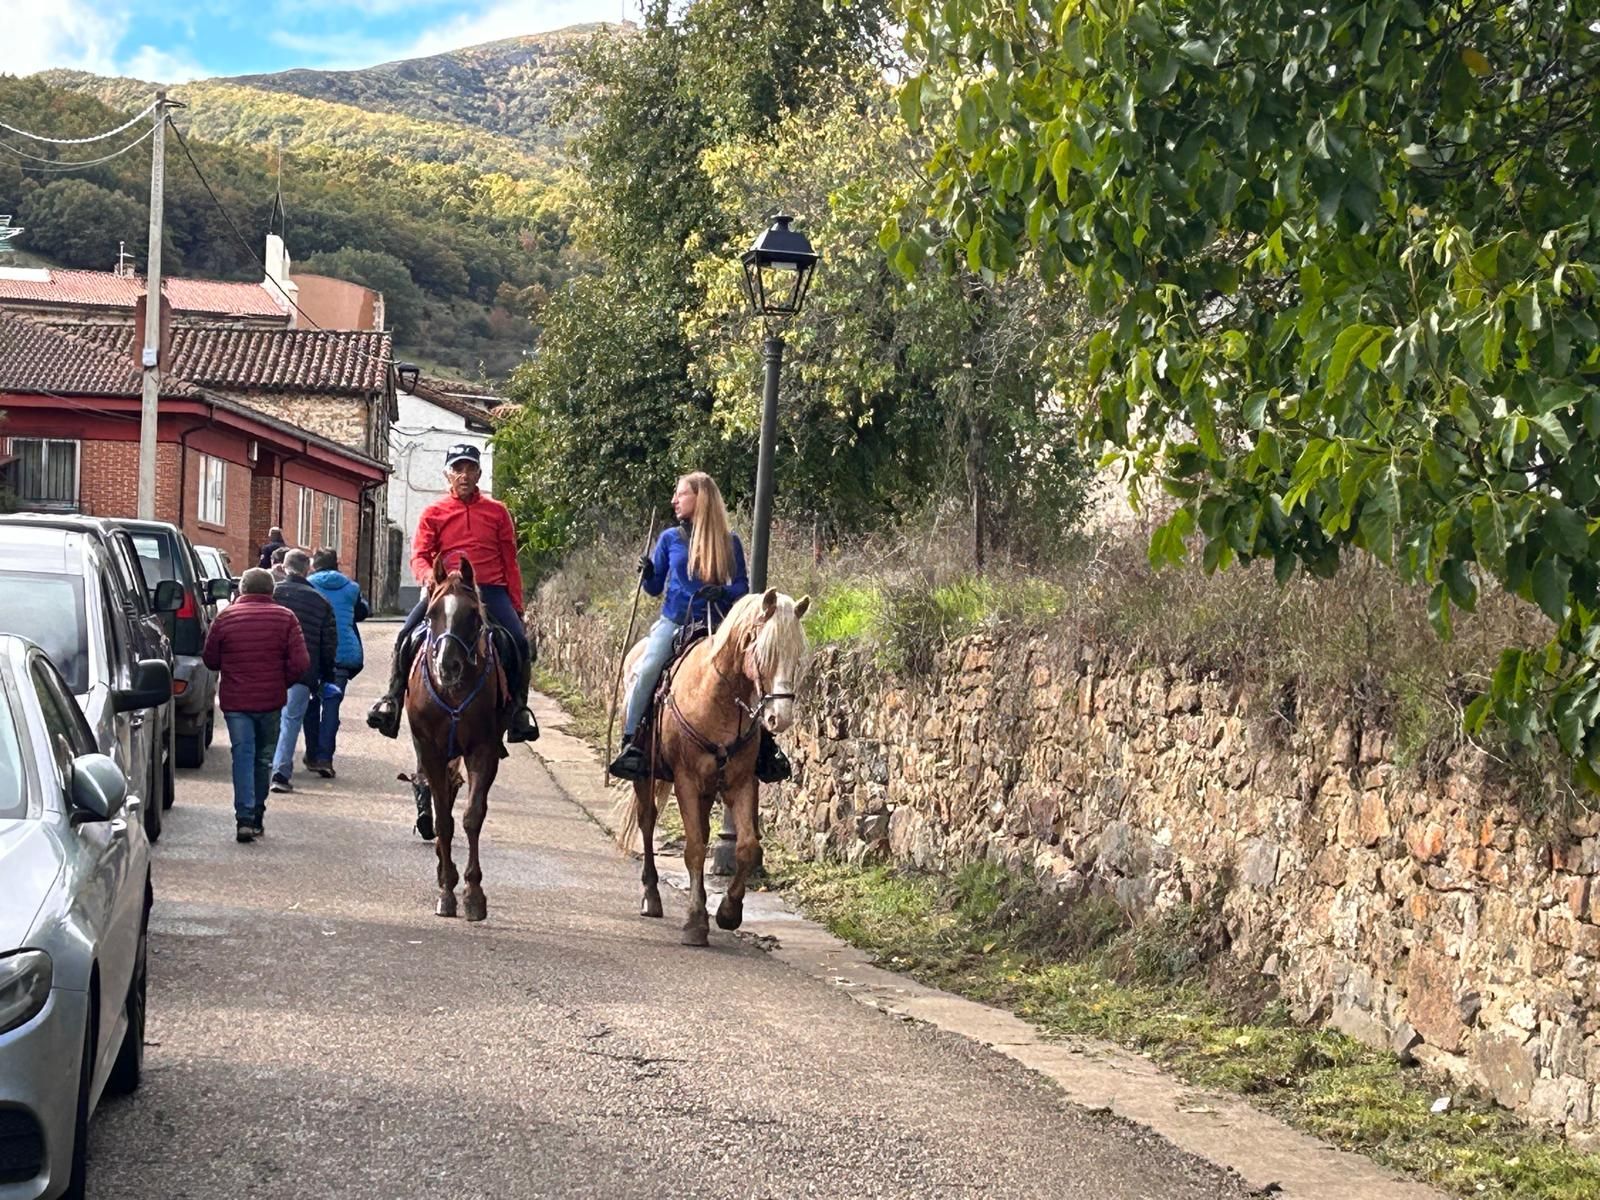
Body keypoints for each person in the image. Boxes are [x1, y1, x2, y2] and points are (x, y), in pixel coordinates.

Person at [366, 442, 538, 743]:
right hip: (445, 589)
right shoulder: (434, 512)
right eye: (458, 468)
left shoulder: (497, 512)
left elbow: (509, 560)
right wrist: (429, 576)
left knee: (519, 642)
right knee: (406, 634)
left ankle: (518, 710)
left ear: (479, 474)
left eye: (470, 468)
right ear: (448, 475)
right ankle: (392, 699)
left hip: (489, 589)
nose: (464, 474)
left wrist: (516, 604)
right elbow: (419, 555)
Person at [608, 471, 759, 782]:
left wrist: (723, 592)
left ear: (700, 498)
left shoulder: (730, 542)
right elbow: (653, 588)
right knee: (649, 669)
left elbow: (742, 588)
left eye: (681, 494)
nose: (674, 500)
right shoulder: (669, 538)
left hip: (718, 626)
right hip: (675, 621)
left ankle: (765, 748)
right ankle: (631, 741)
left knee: (754, 670)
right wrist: (647, 572)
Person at [202, 568, 309, 843]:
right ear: (271, 591)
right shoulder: (286, 618)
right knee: (263, 758)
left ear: (242, 590)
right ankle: (257, 813)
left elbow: (211, 659)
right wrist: (280, 681)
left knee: (243, 756)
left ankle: (244, 818)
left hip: (236, 701)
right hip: (271, 701)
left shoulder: (226, 618)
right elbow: (300, 663)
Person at [270, 550, 336, 794]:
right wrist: (325, 677)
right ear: (307, 569)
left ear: (284, 567)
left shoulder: (273, 594)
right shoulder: (320, 601)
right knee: (290, 720)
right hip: (302, 671)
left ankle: (265, 765)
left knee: (269, 718)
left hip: (269, 668)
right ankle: (280, 771)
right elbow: (328, 644)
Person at [304, 547, 368, 778]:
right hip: (342, 654)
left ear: (314, 564)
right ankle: (324, 759)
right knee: (331, 706)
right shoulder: (351, 588)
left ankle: (311, 753)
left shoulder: (307, 584)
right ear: (336, 563)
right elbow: (362, 612)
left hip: (313, 653)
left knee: (310, 705)